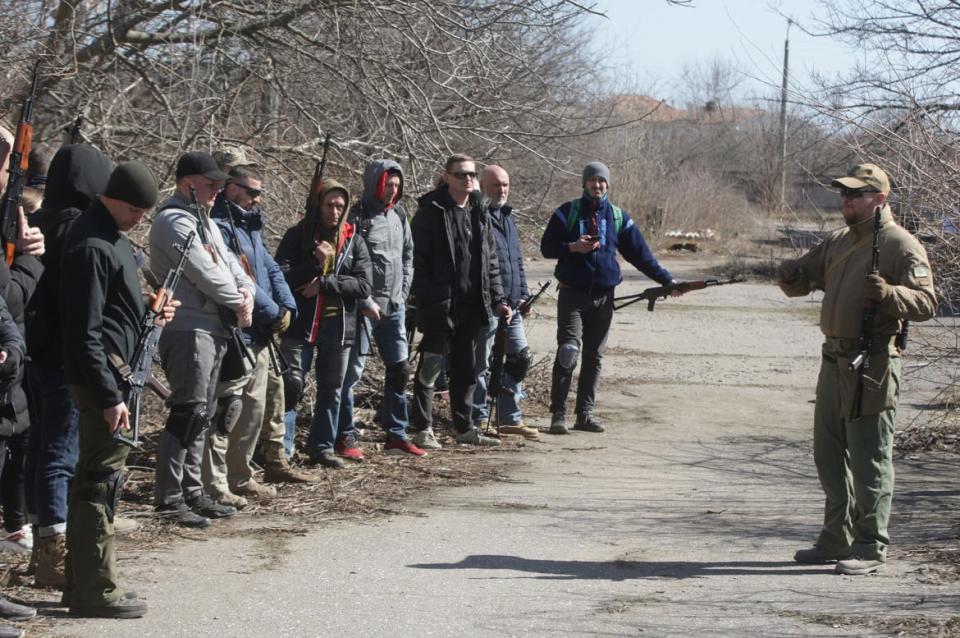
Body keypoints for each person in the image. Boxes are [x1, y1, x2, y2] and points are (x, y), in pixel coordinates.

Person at [779, 163, 936, 575]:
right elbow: (802, 281)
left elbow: (927, 304)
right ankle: (836, 537)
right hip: (833, 360)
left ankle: (870, 546)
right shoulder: (838, 241)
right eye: (845, 193)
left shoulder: (901, 245)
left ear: (879, 199)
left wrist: (891, 295)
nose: (846, 200)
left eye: (856, 194)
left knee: (869, 456)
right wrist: (789, 275)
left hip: (874, 362)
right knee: (829, 454)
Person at [60, 161, 176, 618]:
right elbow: (84, 333)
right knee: (98, 485)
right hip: (102, 384)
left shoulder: (115, 241)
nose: (139, 219)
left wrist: (152, 311)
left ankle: (84, 584)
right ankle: (96, 591)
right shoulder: (91, 244)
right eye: (134, 209)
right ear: (110, 197)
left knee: (98, 480)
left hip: (117, 377)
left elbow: (116, 311)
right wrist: (109, 397)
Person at [24, 144, 112, 587]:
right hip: (63, 359)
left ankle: (43, 542)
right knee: (60, 455)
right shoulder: (77, 230)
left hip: (34, 355)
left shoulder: (37, 224)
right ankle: (53, 556)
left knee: (42, 451)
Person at [150, 152, 254, 527]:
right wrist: (239, 302)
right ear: (188, 183)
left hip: (214, 328)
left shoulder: (204, 221)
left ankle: (193, 491)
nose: (217, 191)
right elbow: (204, 273)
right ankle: (170, 497)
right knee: (187, 411)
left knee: (204, 414)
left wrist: (247, 295)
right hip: (188, 328)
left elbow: (233, 267)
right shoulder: (173, 221)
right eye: (210, 184)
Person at [540, 161, 676, 435]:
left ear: (607, 184)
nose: (597, 185)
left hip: (604, 297)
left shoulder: (617, 217)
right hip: (572, 294)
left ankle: (584, 414)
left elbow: (641, 255)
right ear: (584, 182)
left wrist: (667, 280)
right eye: (592, 180)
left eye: (601, 181)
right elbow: (546, 248)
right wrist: (573, 247)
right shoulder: (567, 212)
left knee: (594, 357)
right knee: (568, 351)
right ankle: (557, 414)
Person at [207, 166, 314, 505]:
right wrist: (272, 311)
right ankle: (216, 483)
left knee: (255, 408)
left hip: (262, 332)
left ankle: (241, 476)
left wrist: (287, 306)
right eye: (249, 191)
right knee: (230, 409)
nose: (255, 199)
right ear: (229, 187)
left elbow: (269, 269)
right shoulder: (218, 226)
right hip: (237, 329)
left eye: (258, 193)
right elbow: (238, 277)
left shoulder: (251, 225)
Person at [409, 154, 512, 450]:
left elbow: (491, 260)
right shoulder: (431, 210)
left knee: (467, 370)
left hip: (472, 305)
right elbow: (418, 261)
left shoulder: (480, 209)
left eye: (471, 174)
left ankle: (465, 427)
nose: (468, 179)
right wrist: (428, 298)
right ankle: (423, 427)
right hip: (441, 305)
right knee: (430, 367)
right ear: (447, 177)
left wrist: (498, 299)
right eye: (461, 174)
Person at [275, 180, 371, 468]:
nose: (334, 211)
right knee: (291, 387)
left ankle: (323, 447)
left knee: (332, 389)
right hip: (299, 325)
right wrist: (315, 263)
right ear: (318, 205)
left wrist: (325, 284)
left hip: (339, 328)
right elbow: (281, 277)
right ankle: (283, 450)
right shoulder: (298, 235)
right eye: (329, 204)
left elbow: (364, 284)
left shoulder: (355, 240)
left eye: (340, 206)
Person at [337, 160, 425, 459]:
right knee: (351, 375)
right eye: (389, 184)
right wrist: (365, 301)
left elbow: (408, 255)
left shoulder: (399, 214)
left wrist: (403, 291)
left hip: (394, 306)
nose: (393, 191)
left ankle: (396, 435)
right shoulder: (357, 216)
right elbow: (344, 265)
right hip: (363, 309)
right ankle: (345, 436)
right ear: (376, 182)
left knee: (399, 369)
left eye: (398, 186)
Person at [470, 166, 538, 440]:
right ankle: (478, 417)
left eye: (505, 185)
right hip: (487, 305)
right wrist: (494, 299)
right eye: (496, 185)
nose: (502, 190)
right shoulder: (477, 217)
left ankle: (509, 416)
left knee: (520, 357)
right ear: (482, 186)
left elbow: (516, 261)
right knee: (481, 364)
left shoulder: (508, 218)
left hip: (513, 304)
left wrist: (523, 294)